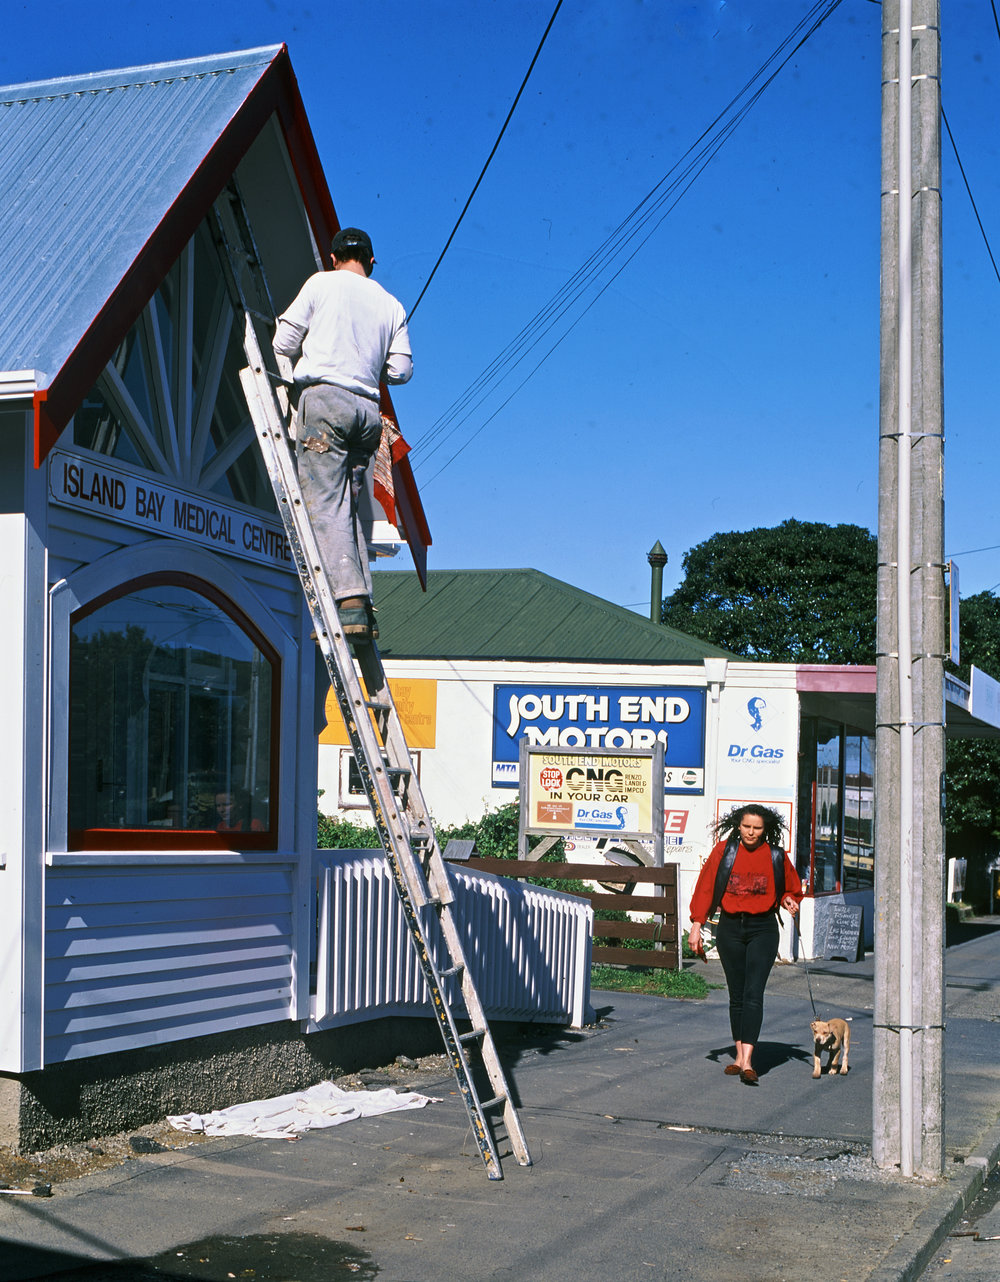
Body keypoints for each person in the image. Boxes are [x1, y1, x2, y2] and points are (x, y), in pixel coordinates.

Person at [272, 227, 412, 643]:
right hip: (367, 414)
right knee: (348, 509)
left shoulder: (321, 283)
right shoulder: (390, 303)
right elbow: (401, 372)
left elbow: (283, 340)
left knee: (326, 506)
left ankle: (347, 601)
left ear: (333, 259)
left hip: (326, 404)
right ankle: (361, 607)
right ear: (370, 263)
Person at [688, 803, 802, 1084]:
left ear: (766, 830)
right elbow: (705, 887)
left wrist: (789, 900)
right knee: (737, 993)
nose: (751, 832)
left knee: (753, 993)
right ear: (738, 826)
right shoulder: (724, 852)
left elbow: (791, 888)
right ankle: (738, 1057)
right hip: (729, 928)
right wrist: (696, 923)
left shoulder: (775, 856)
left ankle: (749, 1061)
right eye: (747, 826)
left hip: (763, 928)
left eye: (757, 828)